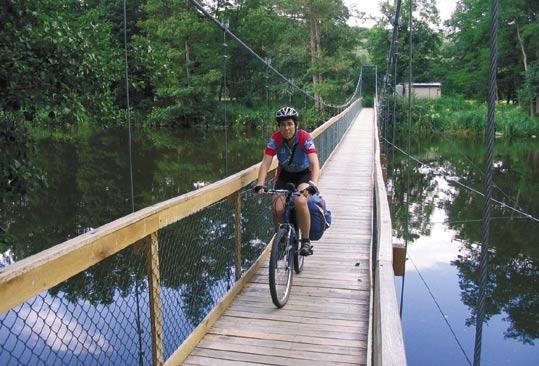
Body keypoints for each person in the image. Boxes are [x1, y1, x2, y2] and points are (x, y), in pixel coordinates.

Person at [254, 106, 320, 256]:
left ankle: (306, 241)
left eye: (290, 124)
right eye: (283, 125)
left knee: (301, 201)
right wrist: (260, 184)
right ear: (279, 127)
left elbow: (314, 163)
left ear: (296, 125)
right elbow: (265, 163)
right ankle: (281, 239)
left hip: (303, 175)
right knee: (277, 208)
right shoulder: (275, 139)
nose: (286, 128)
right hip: (285, 175)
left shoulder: (304, 137)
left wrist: (313, 184)